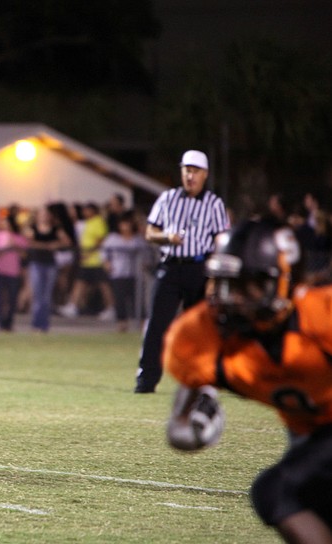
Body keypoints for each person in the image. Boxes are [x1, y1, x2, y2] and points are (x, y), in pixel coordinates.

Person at [164, 219, 332, 543]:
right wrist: (194, 430)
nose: (233, 297)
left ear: (285, 281)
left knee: (276, 491)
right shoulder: (204, 335)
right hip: (309, 435)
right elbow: (179, 426)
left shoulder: (321, 316)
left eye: (248, 284)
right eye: (226, 284)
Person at [134, 149, 230, 393]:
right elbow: (149, 232)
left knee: (200, 328)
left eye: (195, 171)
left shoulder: (214, 203)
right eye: (187, 170)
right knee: (157, 324)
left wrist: (214, 278)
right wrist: (166, 237)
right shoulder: (168, 198)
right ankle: (146, 379)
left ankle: (201, 378)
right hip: (170, 266)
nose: (190, 176)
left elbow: (221, 241)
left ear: (205, 175)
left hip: (199, 269)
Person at [58, 202, 115, 320]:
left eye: (87, 210)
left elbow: (100, 240)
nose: (84, 212)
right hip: (87, 261)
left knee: (104, 285)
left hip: (97, 260)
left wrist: (89, 253)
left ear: (93, 210)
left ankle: (111, 308)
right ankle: (73, 306)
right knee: (79, 283)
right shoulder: (87, 222)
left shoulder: (98, 221)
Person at [25, 204, 73, 332]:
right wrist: (45, 246)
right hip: (36, 263)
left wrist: (54, 244)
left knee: (46, 295)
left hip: (50, 263)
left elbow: (67, 241)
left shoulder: (56, 229)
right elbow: (29, 242)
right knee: (37, 294)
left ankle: (44, 325)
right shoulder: (33, 228)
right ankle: (36, 323)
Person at [101, 211, 149, 332]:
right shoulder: (113, 238)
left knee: (137, 299)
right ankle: (122, 323)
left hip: (134, 274)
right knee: (120, 299)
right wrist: (107, 264)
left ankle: (142, 323)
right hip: (118, 272)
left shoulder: (137, 239)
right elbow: (104, 253)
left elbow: (145, 254)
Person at [0, 208, 28, 331]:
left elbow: (24, 254)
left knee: (12, 298)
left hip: (13, 271)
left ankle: (9, 323)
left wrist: (14, 246)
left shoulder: (19, 238)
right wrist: (6, 248)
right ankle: (1, 323)